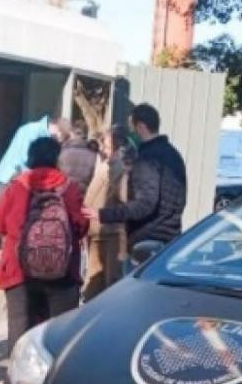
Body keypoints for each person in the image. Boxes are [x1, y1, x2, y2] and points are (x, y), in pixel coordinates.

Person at [0, 136, 89, 345]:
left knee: (20, 336)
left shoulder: (17, 187)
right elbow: (82, 226)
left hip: (19, 273)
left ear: (30, 158)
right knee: (60, 338)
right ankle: (55, 377)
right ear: (56, 159)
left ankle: (20, 377)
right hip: (63, 273)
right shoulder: (69, 188)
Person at [84, 102, 186, 250]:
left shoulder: (147, 159)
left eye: (132, 129)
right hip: (170, 237)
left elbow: (145, 204)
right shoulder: (173, 155)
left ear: (141, 127)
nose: (130, 136)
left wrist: (104, 214)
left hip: (148, 239)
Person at [82, 125, 133, 302]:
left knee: (109, 281)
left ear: (118, 148)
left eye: (106, 145)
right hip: (98, 231)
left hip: (111, 232)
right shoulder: (105, 166)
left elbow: (124, 199)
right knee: (96, 280)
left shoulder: (118, 169)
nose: (103, 149)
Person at [0, 115, 69, 187]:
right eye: (61, 138)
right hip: (12, 178)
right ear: (58, 129)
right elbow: (26, 158)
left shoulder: (37, 131)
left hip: (18, 178)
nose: (59, 141)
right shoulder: (33, 131)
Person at [58, 118, 97, 193]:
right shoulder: (93, 155)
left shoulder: (62, 152)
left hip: (64, 192)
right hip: (83, 194)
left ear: (72, 133)